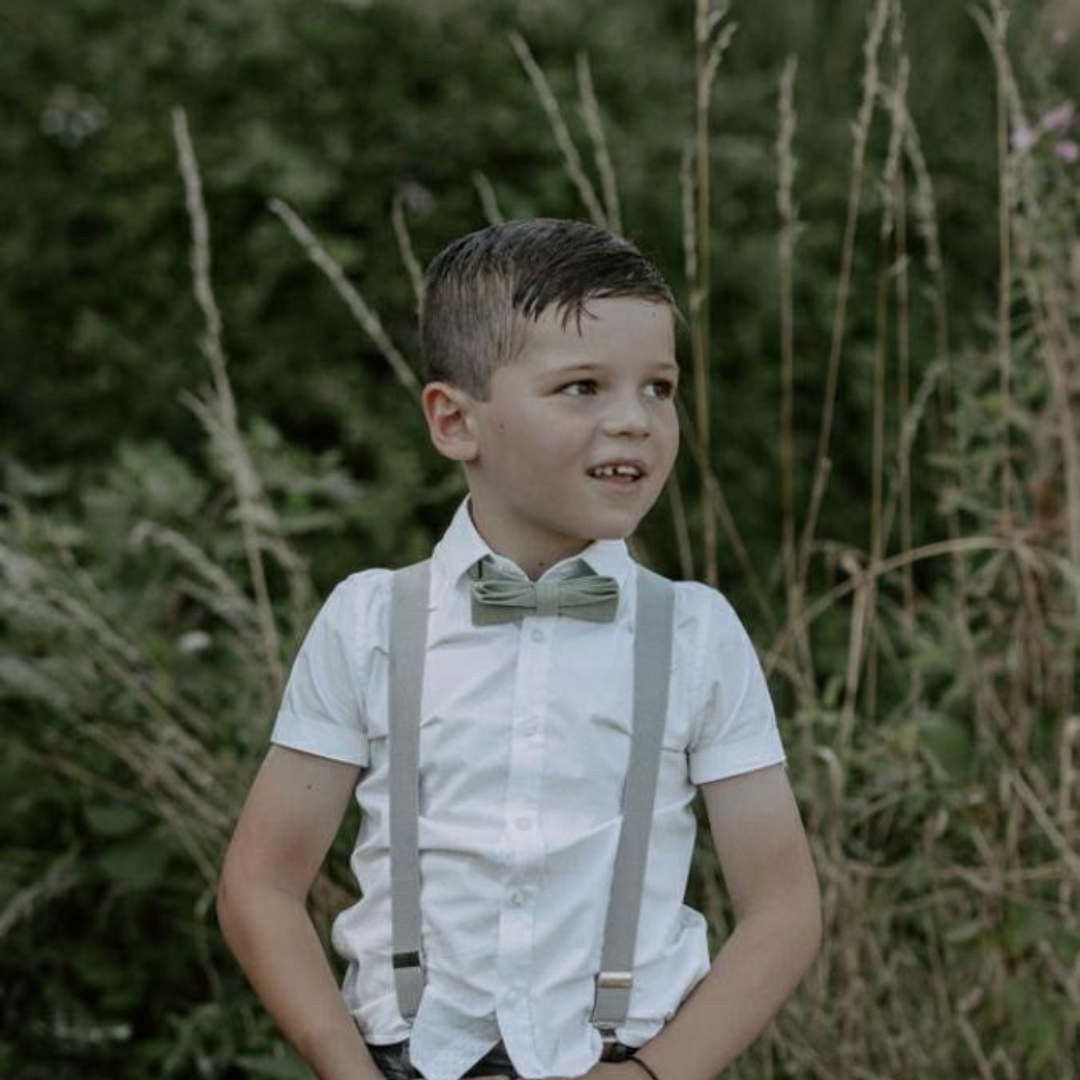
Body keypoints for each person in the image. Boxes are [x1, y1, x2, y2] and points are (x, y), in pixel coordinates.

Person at [216, 218, 821, 1080]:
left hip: (624, 1059)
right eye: (582, 387)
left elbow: (784, 905)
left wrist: (659, 1075)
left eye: (659, 388)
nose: (634, 422)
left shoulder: (695, 632)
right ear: (456, 421)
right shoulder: (371, 621)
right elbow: (261, 885)